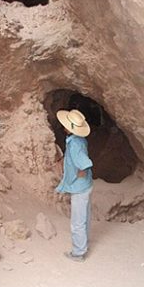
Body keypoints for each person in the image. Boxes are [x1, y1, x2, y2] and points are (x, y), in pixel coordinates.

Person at [56, 109, 93, 262]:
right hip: (87, 185)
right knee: (85, 217)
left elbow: (84, 165)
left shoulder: (74, 144)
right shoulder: (79, 139)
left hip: (80, 188)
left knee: (77, 221)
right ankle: (84, 244)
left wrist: (75, 177)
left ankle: (78, 253)